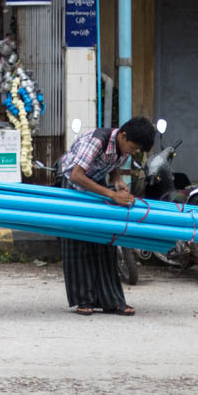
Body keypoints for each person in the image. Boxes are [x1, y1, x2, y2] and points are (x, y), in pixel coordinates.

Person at [56, 117, 157, 317]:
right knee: (78, 243)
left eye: (137, 150)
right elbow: (76, 175)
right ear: (123, 135)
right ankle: (84, 300)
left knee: (105, 241)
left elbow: (113, 162)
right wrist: (112, 194)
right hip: (71, 185)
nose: (133, 152)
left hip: (94, 183)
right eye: (133, 147)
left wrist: (117, 178)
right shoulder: (96, 141)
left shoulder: (123, 145)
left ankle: (111, 301)